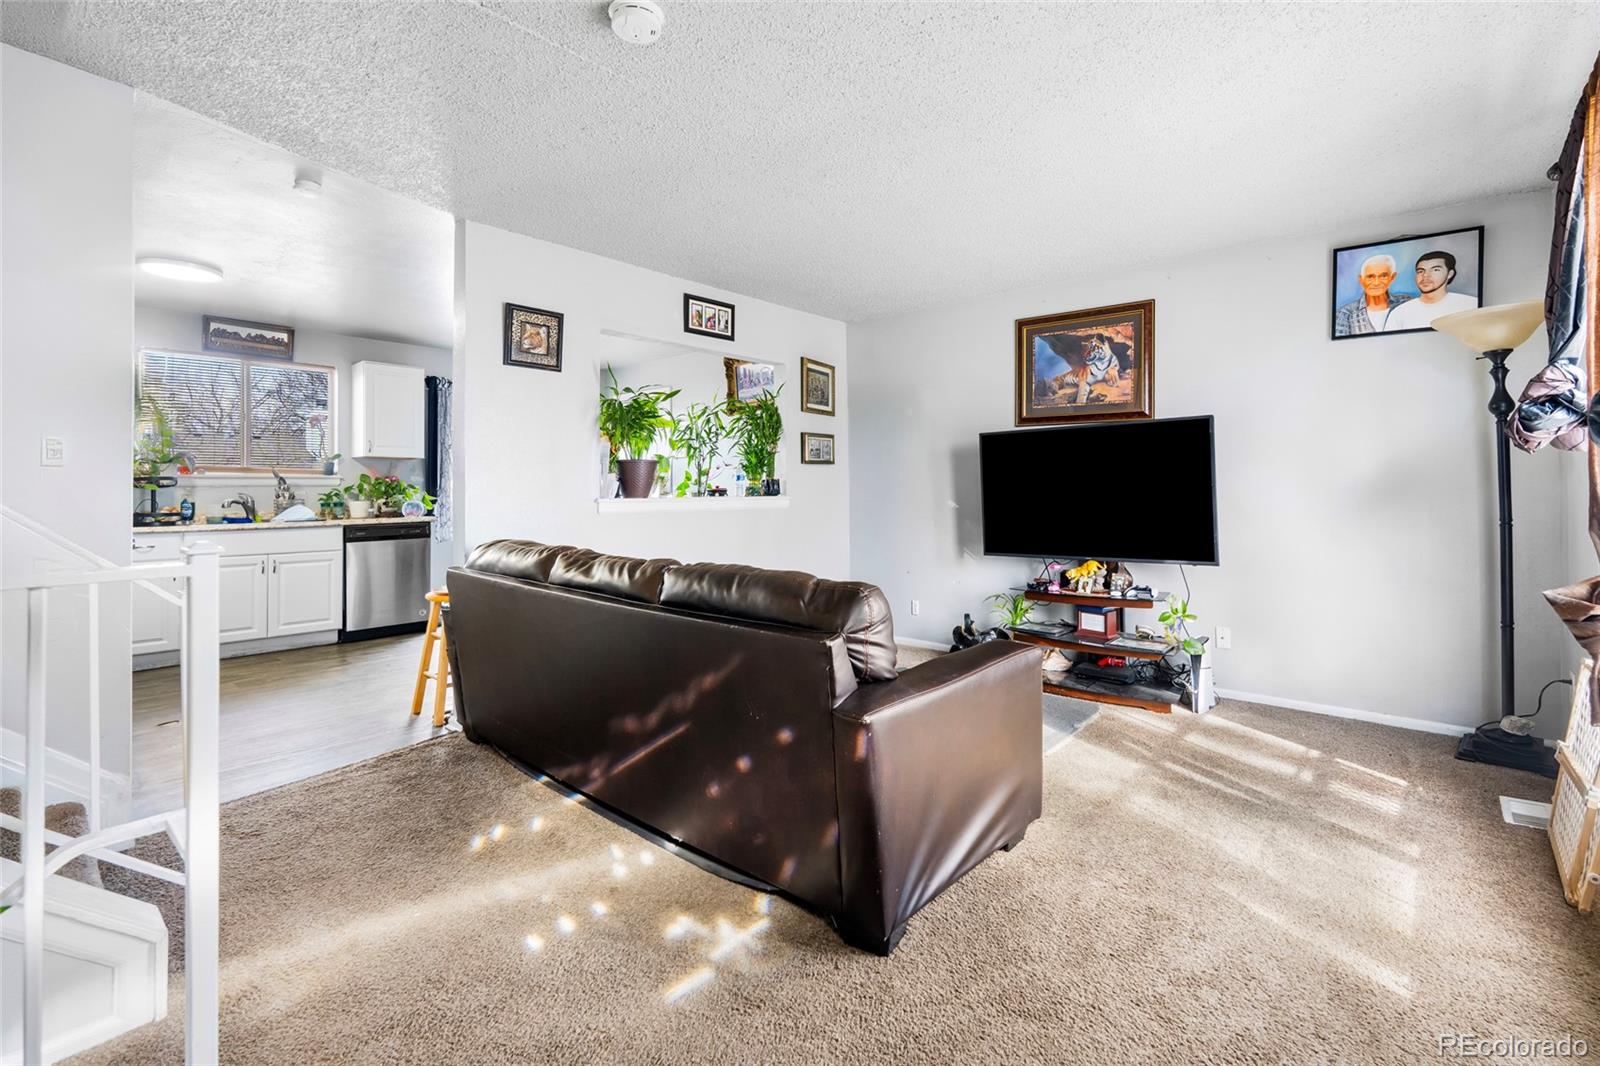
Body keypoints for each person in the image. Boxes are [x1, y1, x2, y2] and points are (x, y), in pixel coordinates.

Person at [1384, 250, 1478, 331]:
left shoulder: (1471, 305)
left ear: (1450, 274)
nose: (1425, 276)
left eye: (1435, 270)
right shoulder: (1400, 312)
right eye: (1421, 271)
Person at [1334, 253, 1414, 335]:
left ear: (1392, 278)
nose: (1376, 283)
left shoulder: (1406, 303)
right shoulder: (1346, 314)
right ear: (1361, 280)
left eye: (1383, 276)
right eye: (1370, 277)